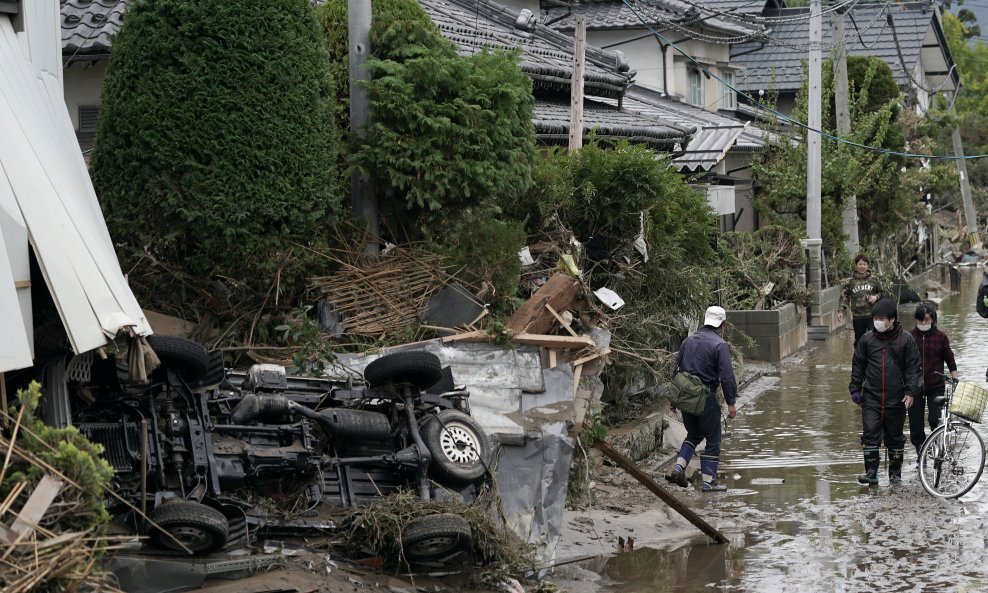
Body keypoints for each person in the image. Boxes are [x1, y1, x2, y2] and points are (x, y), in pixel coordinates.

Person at [849, 298, 922, 485]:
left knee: (895, 437)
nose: (878, 322)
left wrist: (910, 392)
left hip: (896, 398)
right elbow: (858, 364)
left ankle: (895, 474)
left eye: (882, 318)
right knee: (870, 434)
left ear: (892, 319)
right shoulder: (867, 340)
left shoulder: (906, 340)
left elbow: (913, 368)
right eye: (876, 318)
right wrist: (855, 388)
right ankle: (871, 473)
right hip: (871, 398)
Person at [665, 306, 738, 492]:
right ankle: (708, 482)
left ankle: (678, 467)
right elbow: (727, 376)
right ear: (723, 324)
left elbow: (677, 372)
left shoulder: (688, 341)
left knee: (694, 434)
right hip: (706, 399)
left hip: (686, 399)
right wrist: (731, 403)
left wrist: (674, 400)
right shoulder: (720, 345)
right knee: (713, 440)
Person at [907, 304, 958, 456]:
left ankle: (937, 447)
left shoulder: (941, 337)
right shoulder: (909, 337)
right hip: (914, 386)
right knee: (915, 424)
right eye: (920, 320)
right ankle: (921, 454)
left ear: (933, 319)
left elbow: (949, 358)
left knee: (935, 419)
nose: (923, 324)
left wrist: (955, 378)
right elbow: (902, 361)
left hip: (936, 385)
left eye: (926, 320)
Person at [840, 254, 885, 347]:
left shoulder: (874, 279)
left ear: (867, 266)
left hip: (872, 315)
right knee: (859, 341)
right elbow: (844, 297)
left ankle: (873, 359)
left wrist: (875, 297)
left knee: (874, 338)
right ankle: (859, 359)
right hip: (857, 316)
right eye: (860, 264)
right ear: (856, 265)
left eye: (864, 264)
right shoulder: (849, 281)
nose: (862, 266)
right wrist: (841, 311)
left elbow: (882, 292)